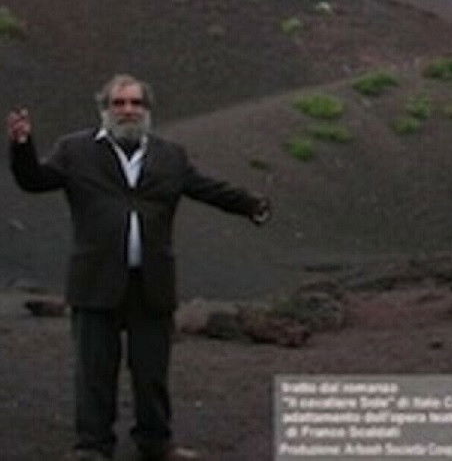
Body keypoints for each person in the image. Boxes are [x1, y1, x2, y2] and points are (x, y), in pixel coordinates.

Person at [6, 74, 271, 461]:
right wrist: (21, 146)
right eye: (119, 103)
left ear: (147, 110)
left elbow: (207, 189)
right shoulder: (75, 151)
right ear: (104, 109)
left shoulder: (170, 156)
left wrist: (251, 205)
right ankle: (92, 446)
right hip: (95, 281)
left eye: (135, 103)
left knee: (151, 372)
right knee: (94, 371)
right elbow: (34, 180)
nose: (127, 110)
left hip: (151, 283)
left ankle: (155, 443)